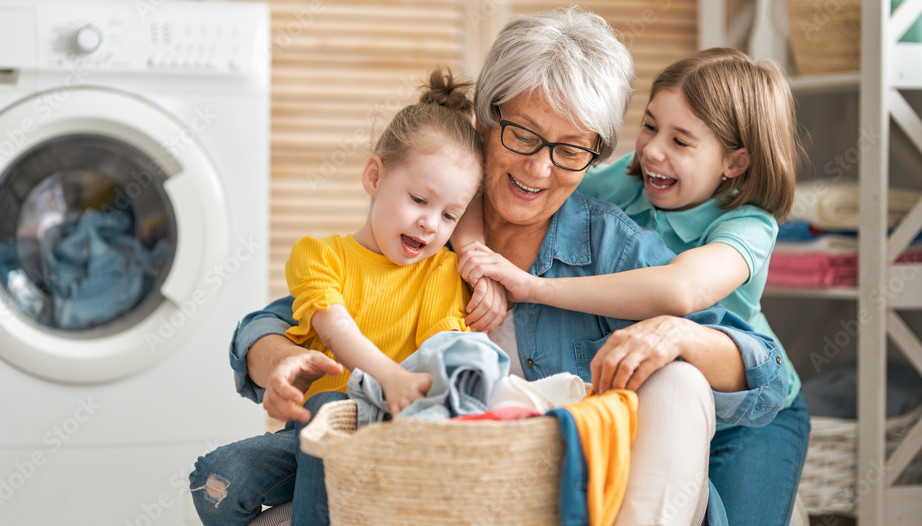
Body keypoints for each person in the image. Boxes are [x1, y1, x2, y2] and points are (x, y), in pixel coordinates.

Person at [215, 7, 800, 526]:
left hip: (582, 497)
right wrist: (285, 362)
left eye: (571, 149)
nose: (540, 170)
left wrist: (679, 333)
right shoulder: (426, 223)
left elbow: (767, 370)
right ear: (484, 122)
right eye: (523, 134)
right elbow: (268, 326)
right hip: (449, 489)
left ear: (594, 153)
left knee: (679, 373)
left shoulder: (612, 247)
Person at [454, 47, 809, 525]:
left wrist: (530, 287)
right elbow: (489, 182)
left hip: (749, 408)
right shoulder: (624, 183)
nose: (652, 151)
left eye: (681, 141)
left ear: (735, 162)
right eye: (649, 126)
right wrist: (479, 256)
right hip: (666, 388)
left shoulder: (748, 225)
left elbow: (681, 290)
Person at [189, 67, 484, 526]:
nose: (431, 224)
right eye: (419, 199)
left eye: (450, 214)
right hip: (309, 436)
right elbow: (334, 324)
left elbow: (442, 348)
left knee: (333, 406)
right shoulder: (319, 256)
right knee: (213, 480)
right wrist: (390, 374)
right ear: (373, 177)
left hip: (390, 433)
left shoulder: (441, 272)